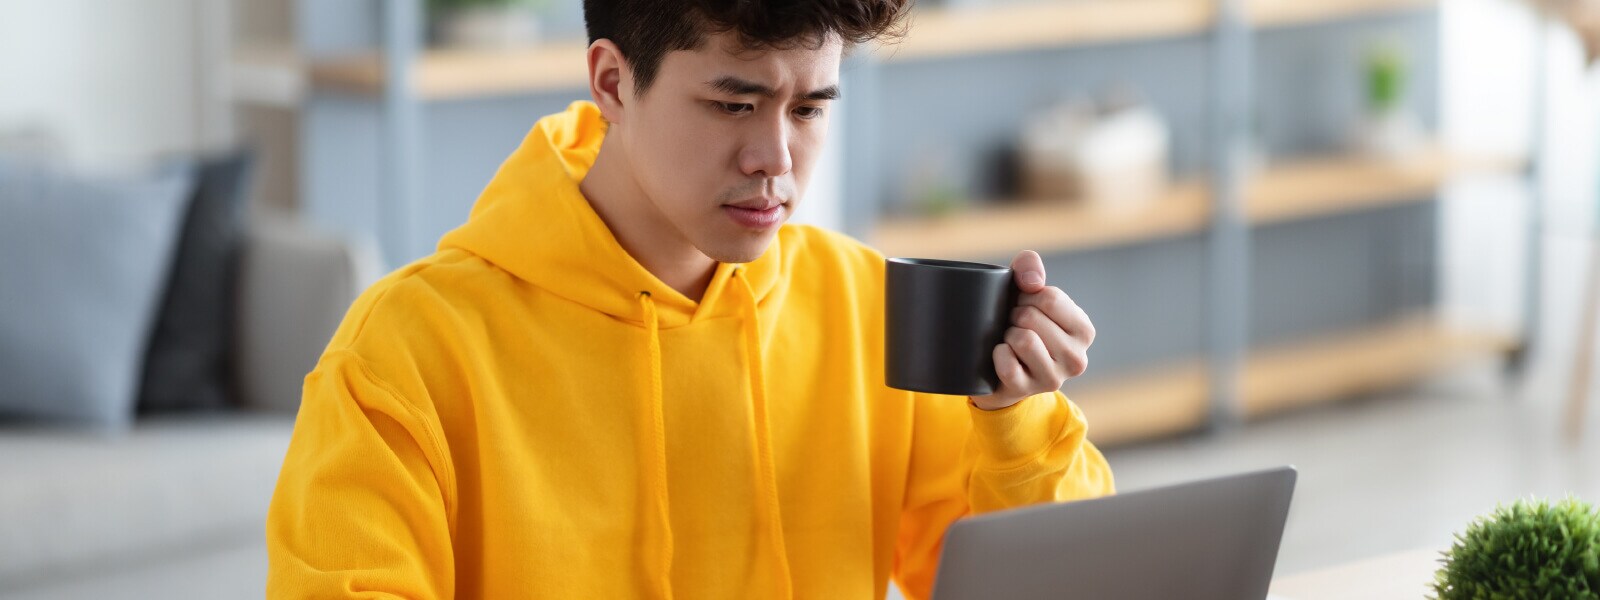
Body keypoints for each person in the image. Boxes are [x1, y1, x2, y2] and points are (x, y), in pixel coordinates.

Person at [265, 1, 1115, 598]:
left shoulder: (868, 306)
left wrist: (1018, 422)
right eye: (732, 103)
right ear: (611, 81)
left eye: (810, 108)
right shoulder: (404, 354)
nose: (775, 159)